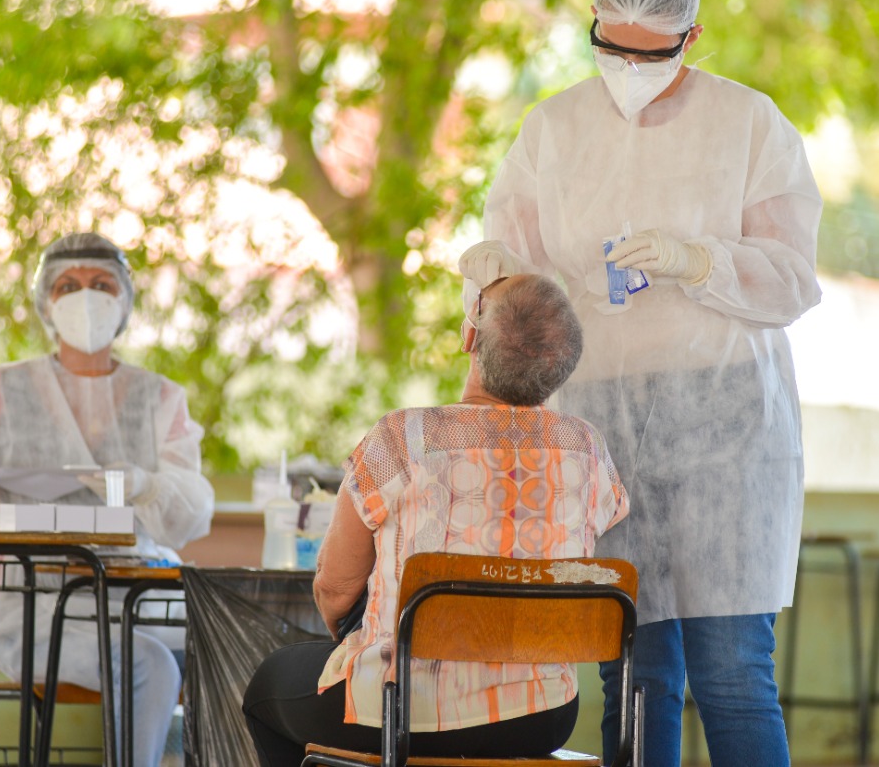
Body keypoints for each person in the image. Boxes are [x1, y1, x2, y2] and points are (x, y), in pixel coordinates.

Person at [458, 0, 823, 767]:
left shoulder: (748, 125)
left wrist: (704, 261)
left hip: (725, 430)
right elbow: (520, 274)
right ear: (591, 19)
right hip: (600, 433)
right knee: (632, 678)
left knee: (731, 673)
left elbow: (794, 281)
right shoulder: (554, 130)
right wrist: (494, 273)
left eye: (650, 54)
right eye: (611, 49)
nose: (628, 70)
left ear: (691, 38)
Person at [241, 274, 629, 766]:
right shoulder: (587, 449)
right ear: (561, 367)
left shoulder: (401, 439)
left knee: (264, 691)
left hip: (402, 710)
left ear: (470, 337)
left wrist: (357, 639)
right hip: (540, 713)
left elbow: (336, 592)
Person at [0, 232, 215, 767]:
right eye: (67, 285)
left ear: (125, 303)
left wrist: (145, 483)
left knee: (225, 649)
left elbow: (192, 511)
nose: (84, 297)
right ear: (46, 301)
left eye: (100, 284)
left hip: (135, 596)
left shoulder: (159, 399)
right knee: (153, 666)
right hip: (34, 608)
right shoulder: (4, 391)